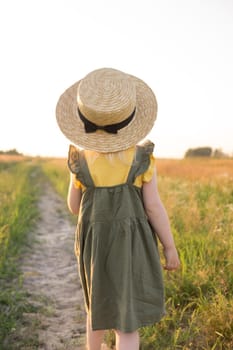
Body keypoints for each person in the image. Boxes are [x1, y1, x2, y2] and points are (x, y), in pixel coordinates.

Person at [56, 68, 180, 350]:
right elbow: (153, 208)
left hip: (95, 243)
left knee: (96, 308)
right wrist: (169, 247)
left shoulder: (80, 160)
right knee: (127, 321)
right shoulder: (142, 158)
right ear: (130, 119)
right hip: (132, 245)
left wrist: (78, 183)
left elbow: (74, 207)